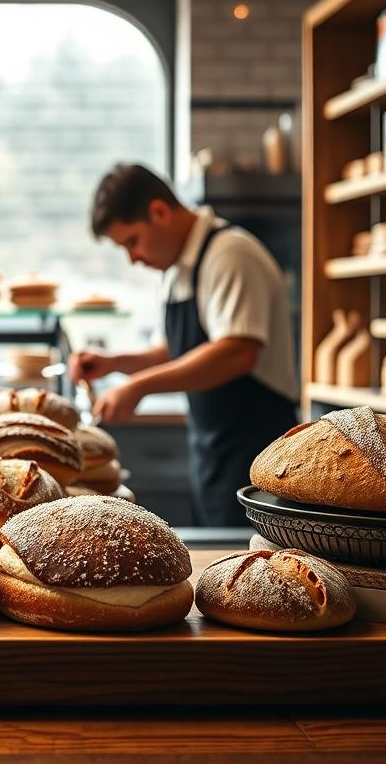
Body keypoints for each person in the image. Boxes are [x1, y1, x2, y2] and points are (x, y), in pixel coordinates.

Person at [72, 163, 298, 526]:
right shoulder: (177, 268)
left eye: (132, 242)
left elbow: (237, 352)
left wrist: (138, 386)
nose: (133, 258)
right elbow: (173, 350)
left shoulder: (230, 255)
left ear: (159, 212)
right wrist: (113, 363)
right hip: (213, 453)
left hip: (261, 456)